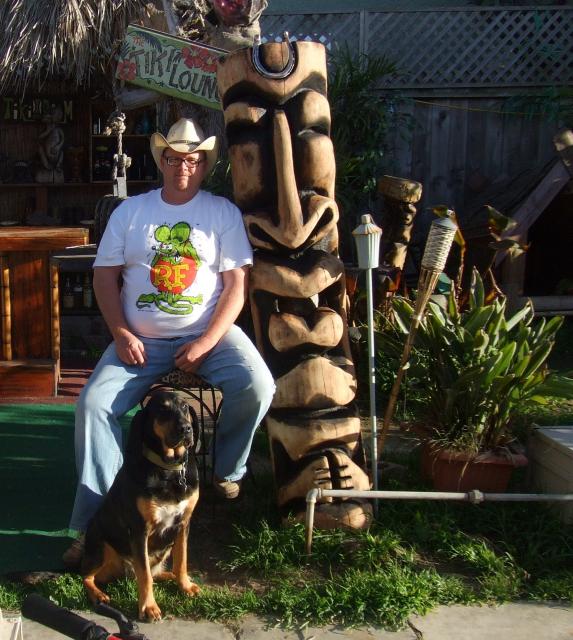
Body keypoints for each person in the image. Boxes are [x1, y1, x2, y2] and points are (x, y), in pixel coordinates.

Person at [63, 117, 275, 566]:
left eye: (192, 159)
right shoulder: (131, 213)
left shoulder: (221, 213)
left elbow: (236, 286)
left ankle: (226, 471)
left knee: (258, 385)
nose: (184, 167)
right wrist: (121, 332)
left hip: (209, 335)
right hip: (139, 340)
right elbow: (104, 278)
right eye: (175, 158)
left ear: (204, 165)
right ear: (161, 161)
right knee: (93, 406)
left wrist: (207, 341)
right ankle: (95, 522)